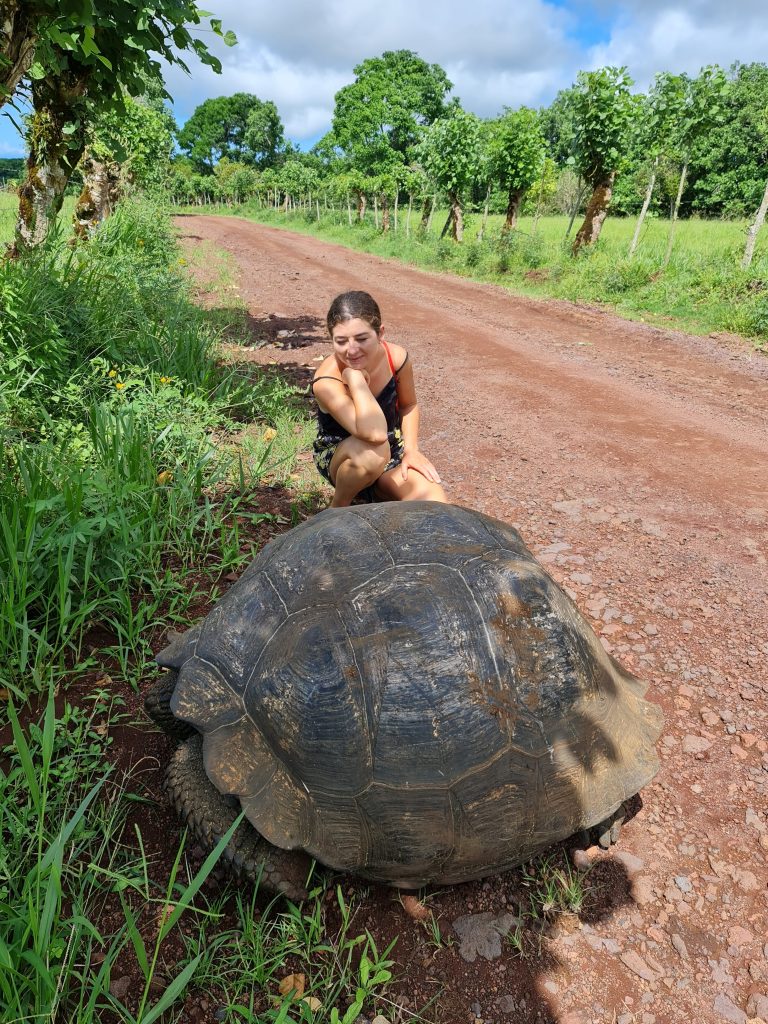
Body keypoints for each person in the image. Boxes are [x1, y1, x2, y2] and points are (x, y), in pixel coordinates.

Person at [312, 291, 447, 507]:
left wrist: (411, 450)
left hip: (390, 451)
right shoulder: (326, 381)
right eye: (341, 341)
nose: (352, 350)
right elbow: (373, 434)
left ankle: (378, 494)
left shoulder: (397, 358)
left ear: (380, 333)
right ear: (331, 340)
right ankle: (338, 508)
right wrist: (355, 380)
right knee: (371, 453)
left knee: (434, 503)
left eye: (362, 338)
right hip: (344, 457)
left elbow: (409, 405)